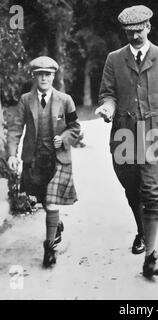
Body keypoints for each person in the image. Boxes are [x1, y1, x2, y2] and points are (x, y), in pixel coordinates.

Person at [96, 5, 158, 278]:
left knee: (152, 192)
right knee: (132, 190)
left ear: (149, 28)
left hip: (157, 131)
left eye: (139, 30)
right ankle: (142, 231)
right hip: (124, 133)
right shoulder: (114, 59)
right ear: (125, 31)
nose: (135, 36)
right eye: (130, 32)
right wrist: (107, 109)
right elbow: (107, 94)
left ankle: (150, 255)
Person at [7, 56, 81, 268]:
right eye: (40, 74)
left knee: (50, 203)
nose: (44, 78)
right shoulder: (25, 100)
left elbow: (75, 128)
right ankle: (55, 224)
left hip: (59, 161)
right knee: (43, 201)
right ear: (34, 76)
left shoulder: (65, 100)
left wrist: (64, 138)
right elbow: (15, 129)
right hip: (35, 162)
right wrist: (12, 154)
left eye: (47, 74)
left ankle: (50, 249)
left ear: (53, 76)